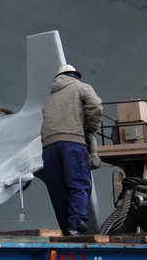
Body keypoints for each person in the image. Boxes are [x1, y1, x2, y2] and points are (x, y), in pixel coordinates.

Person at [40, 64, 102, 236]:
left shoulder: (50, 97)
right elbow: (95, 105)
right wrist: (90, 128)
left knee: (57, 189)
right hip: (72, 142)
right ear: (75, 75)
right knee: (78, 183)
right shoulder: (81, 87)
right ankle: (77, 223)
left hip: (48, 146)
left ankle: (67, 229)